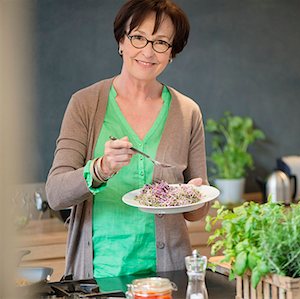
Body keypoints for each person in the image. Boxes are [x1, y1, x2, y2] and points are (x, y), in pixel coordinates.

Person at [46, 0, 210, 280]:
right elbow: (55, 195)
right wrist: (101, 169)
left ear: (171, 53)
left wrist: (195, 196)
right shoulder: (85, 104)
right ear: (121, 41)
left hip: (167, 276)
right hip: (99, 276)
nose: (148, 51)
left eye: (161, 42)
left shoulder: (187, 112)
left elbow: (197, 213)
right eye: (138, 37)